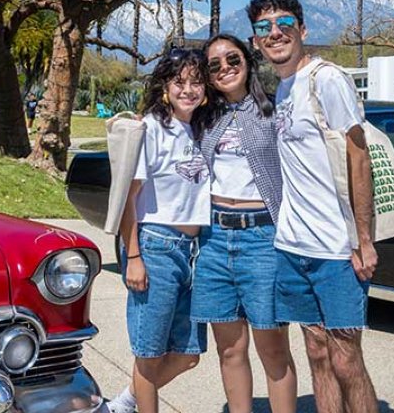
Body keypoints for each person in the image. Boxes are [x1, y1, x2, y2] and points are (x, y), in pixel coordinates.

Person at [247, 0, 380, 413]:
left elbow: (359, 156)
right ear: (256, 41)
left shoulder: (327, 79)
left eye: (284, 24)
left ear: (302, 30)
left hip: (336, 250)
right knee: (317, 353)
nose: (275, 33)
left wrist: (363, 238)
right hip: (292, 247)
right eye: (264, 28)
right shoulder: (282, 89)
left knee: (346, 357)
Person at [191, 34, 297, 413]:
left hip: (263, 237)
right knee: (230, 349)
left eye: (232, 59)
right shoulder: (204, 117)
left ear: (248, 62)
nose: (224, 69)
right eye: (214, 65)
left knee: (273, 349)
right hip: (215, 240)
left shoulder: (274, 110)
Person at [108, 48, 212, 413]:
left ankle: (121, 404)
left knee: (187, 355)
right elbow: (127, 199)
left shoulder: (200, 128)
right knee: (149, 356)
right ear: (164, 86)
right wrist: (133, 255)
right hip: (156, 247)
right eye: (179, 82)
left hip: (194, 251)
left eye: (196, 82)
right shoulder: (150, 128)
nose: (188, 90)